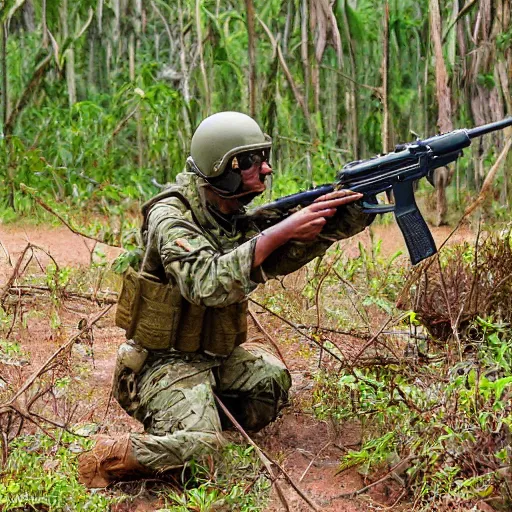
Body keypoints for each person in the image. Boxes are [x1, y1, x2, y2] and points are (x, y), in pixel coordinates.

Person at [78, 111, 372, 487]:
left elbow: (270, 259)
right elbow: (207, 283)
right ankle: (108, 455)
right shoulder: (171, 217)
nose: (265, 169)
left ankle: (196, 414)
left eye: (264, 157)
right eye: (250, 161)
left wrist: (348, 213)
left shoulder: (227, 211)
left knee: (270, 386)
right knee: (204, 453)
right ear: (222, 168)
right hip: (161, 363)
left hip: (212, 356)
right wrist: (281, 232)